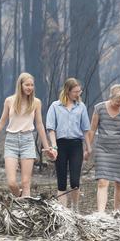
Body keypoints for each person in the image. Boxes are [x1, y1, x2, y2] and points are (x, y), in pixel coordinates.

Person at [0, 73, 55, 197]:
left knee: (26, 182)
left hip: (27, 140)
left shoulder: (36, 102)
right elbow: (1, 123)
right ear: (20, 85)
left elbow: (39, 125)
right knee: (11, 183)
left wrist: (47, 147)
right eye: (27, 85)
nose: (29, 88)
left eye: (32, 85)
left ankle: (24, 210)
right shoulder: (9, 101)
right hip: (11, 140)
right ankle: (19, 197)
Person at [87, 84, 120, 214]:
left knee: (119, 182)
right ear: (111, 97)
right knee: (102, 181)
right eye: (118, 101)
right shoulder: (99, 108)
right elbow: (93, 129)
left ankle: (117, 212)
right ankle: (101, 213)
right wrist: (87, 147)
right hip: (103, 149)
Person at [46, 78, 91, 211]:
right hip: (60, 144)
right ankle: (63, 210)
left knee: (75, 180)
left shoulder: (81, 107)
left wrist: (88, 147)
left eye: (79, 91)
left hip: (76, 144)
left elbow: (85, 129)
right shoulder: (55, 106)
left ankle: (75, 207)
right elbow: (51, 128)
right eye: (75, 91)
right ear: (68, 91)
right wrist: (54, 146)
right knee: (61, 180)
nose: (78, 94)